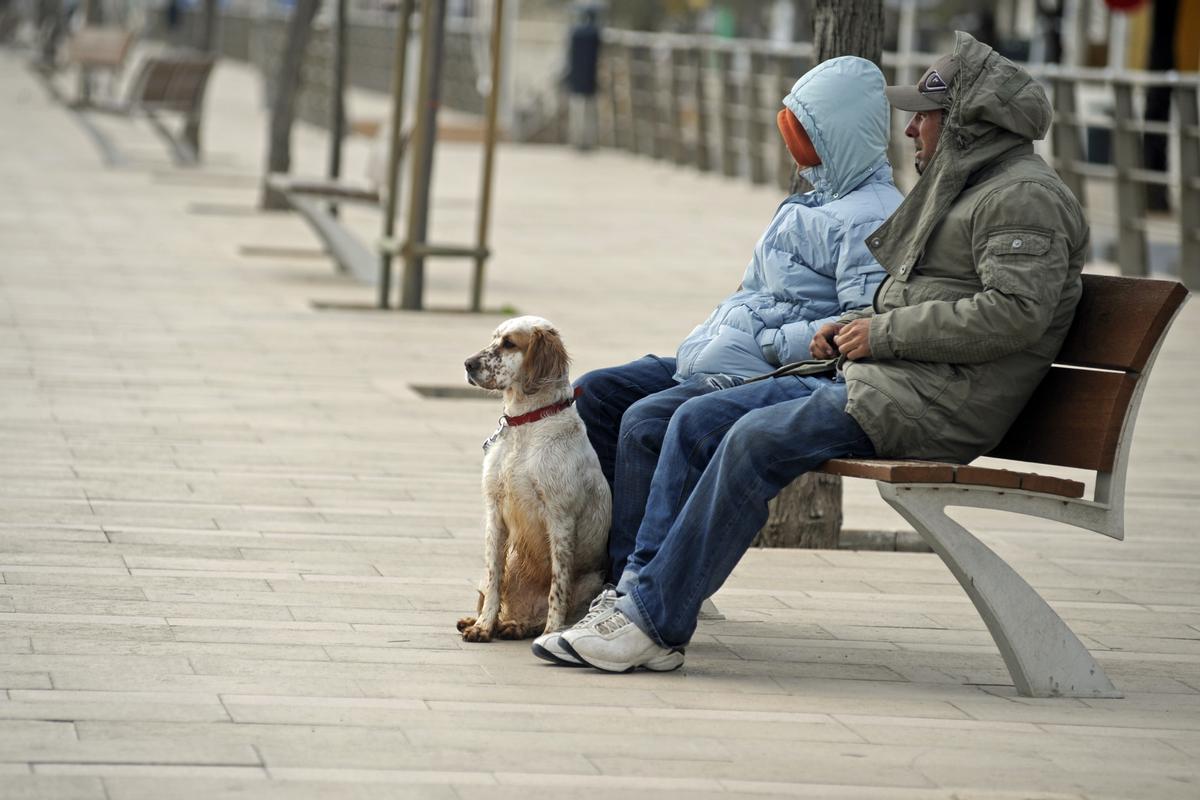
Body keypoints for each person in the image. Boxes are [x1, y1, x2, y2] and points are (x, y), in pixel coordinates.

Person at [546, 31, 1090, 673]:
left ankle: (650, 623)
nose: (911, 128)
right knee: (695, 421)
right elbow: (919, 298)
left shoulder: (1022, 197)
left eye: (925, 115)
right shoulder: (966, 186)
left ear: (969, 119)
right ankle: (637, 599)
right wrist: (859, 324)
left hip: (934, 402)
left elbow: (1015, 314)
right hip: (888, 380)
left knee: (751, 439)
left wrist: (879, 332)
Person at [530, 55, 903, 667]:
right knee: (597, 392)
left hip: (777, 370)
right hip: (726, 353)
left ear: (837, 136)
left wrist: (771, 343)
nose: (795, 147)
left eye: (805, 134)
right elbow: (756, 294)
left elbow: (856, 327)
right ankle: (595, 571)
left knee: (650, 421)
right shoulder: (812, 200)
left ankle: (630, 595)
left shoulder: (870, 218)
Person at [565, 7, 601, 151]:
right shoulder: (595, 34)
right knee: (589, 113)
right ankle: (588, 141)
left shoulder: (575, 33)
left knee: (577, 112)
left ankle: (577, 140)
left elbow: (569, 56)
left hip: (577, 78)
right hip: (590, 78)